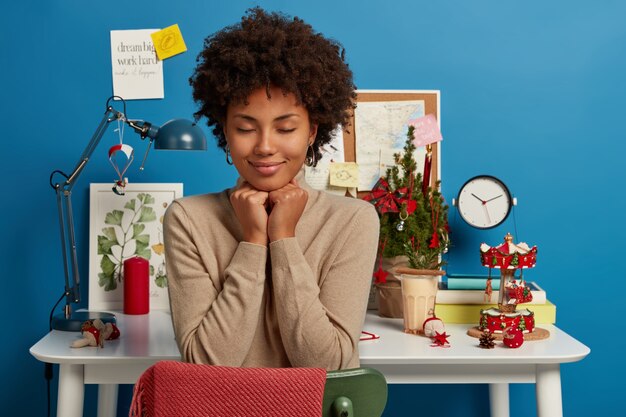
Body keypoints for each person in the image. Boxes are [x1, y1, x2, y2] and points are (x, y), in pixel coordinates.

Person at [163, 7, 379, 371]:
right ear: (225, 133)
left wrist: (283, 239)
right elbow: (207, 364)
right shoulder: (188, 219)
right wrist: (252, 243)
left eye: (285, 128)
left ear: (312, 132)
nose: (264, 146)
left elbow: (328, 366)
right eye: (246, 128)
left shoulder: (353, 220)